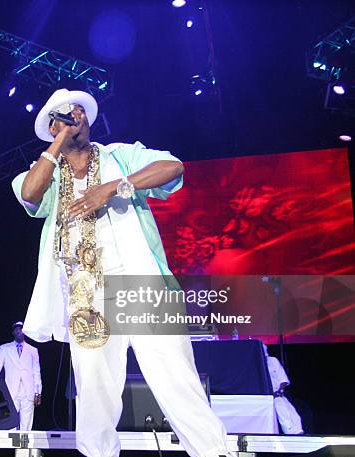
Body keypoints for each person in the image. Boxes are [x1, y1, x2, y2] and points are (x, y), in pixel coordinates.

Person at [12, 88, 233, 457]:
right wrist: (58, 142)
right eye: (64, 115)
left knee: (177, 380)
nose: (74, 117)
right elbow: (29, 194)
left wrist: (115, 186)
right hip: (86, 295)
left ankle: (214, 453)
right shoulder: (48, 174)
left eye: (78, 112)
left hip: (142, 287)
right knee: (95, 393)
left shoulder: (120, 155)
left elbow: (173, 166)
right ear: (52, 126)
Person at [0, 321, 42, 431]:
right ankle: (10, 445)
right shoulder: (5, 349)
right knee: (10, 421)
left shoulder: (32, 350)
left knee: (26, 422)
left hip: (28, 390)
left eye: (21, 329)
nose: (19, 331)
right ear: (13, 332)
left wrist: (38, 392)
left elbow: (36, 372)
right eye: (16, 329)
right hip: (11, 389)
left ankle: (24, 444)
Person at [264, 345, 304, 435]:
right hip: (265, 396)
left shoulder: (272, 361)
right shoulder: (255, 364)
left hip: (277, 394)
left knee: (288, 411)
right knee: (282, 413)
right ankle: (292, 433)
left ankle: (297, 432)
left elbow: (282, 378)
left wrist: (280, 391)